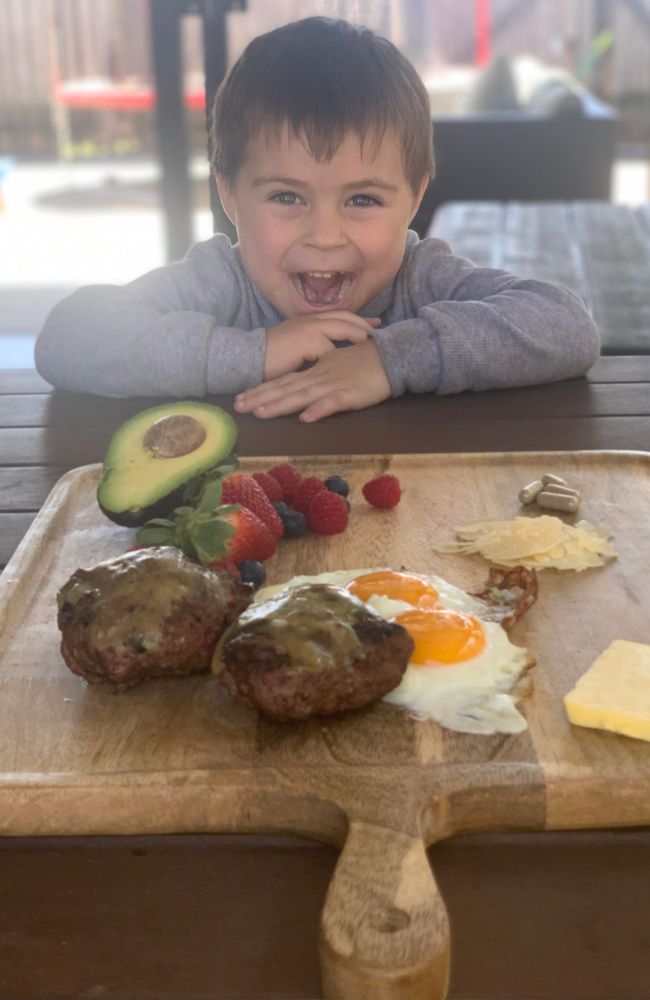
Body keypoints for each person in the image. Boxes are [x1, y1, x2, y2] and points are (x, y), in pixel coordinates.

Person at [35, 17, 599, 423]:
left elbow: (567, 326)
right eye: (286, 197)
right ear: (229, 194)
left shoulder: (421, 279)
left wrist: (389, 359)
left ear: (414, 197)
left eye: (363, 200)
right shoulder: (219, 284)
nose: (325, 237)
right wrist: (253, 353)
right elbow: (69, 337)